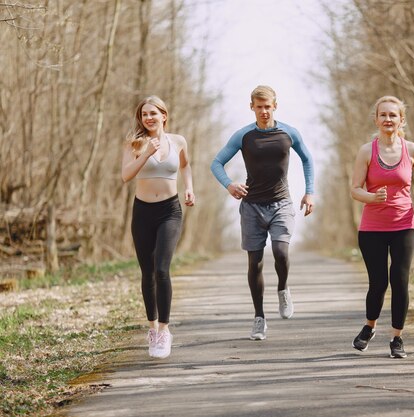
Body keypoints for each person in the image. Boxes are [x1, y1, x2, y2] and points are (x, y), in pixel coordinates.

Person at [211, 85, 314, 341]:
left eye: (268, 106)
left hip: (281, 204)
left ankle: (283, 288)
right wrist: (229, 184)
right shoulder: (243, 135)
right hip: (252, 207)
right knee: (254, 262)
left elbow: (308, 159)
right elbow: (216, 163)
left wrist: (309, 191)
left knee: (280, 252)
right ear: (252, 107)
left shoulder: (289, 133)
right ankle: (259, 318)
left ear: (275, 106)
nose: (264, 111)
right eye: (259, 107)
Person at [350, 95, 414, 358]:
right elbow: (355, 189)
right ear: (376, 119)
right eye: (383, 115)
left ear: (401, 119)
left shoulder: (412, 150)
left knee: (400, 279)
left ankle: (397, 338)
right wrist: (372, 198)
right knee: (378, 283)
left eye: (392, 115)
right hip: (372, 227)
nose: (388, 119)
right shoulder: (366, 151)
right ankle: (370, 326)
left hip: (405, 223)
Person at [121, 95, 195, 359]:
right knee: (147, 271)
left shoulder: (178, 141)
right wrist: (146, 153)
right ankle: (152, 328)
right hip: (142, 211)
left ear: (164, 115)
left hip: (169, 211)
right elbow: (126, 175)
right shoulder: (135, 142)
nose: (149, 118)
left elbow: (185, 165)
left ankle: (164, 330)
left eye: (153, 113)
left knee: (162, 268)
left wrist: (189, 189)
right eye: (144, 115)